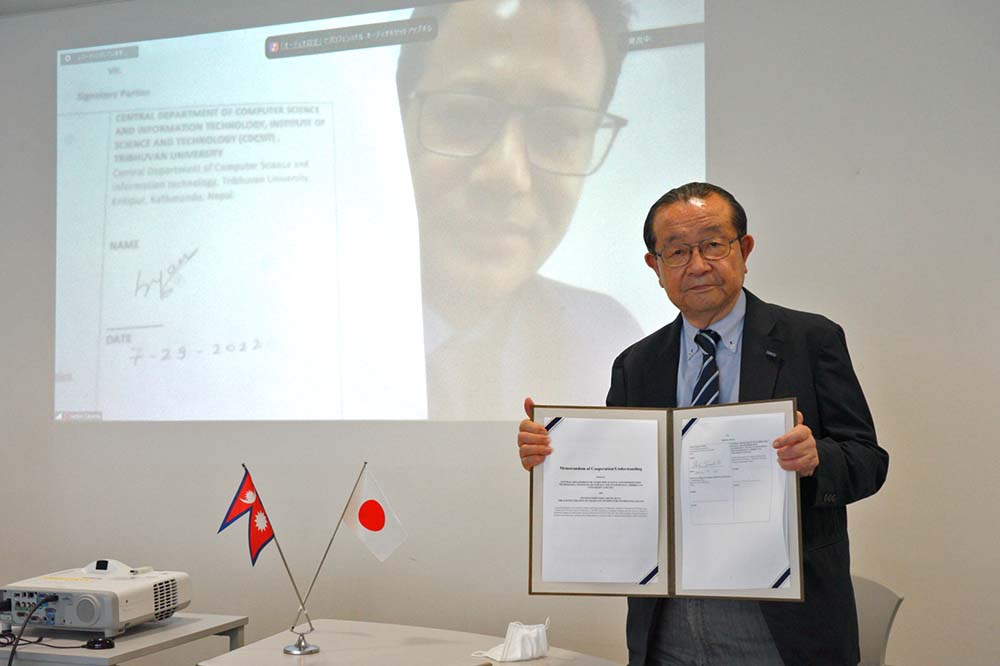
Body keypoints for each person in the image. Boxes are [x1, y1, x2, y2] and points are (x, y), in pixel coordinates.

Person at [517, 182, 889, 665]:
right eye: (676, 251)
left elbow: (868, 460)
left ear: (744, 249)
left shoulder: (810, 339)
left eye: (713, 244)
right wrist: (554, 456)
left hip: (781, 623)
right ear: (655, 267)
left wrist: (817, 457)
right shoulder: (636, 363)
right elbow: (625, 481)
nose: (697, 265)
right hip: (669, 625)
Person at [397, 0, 642, 419]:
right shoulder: (291, 335)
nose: (506, 176)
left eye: (559, 131)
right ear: (394, 115)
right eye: (462, 116)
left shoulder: (609, 341)